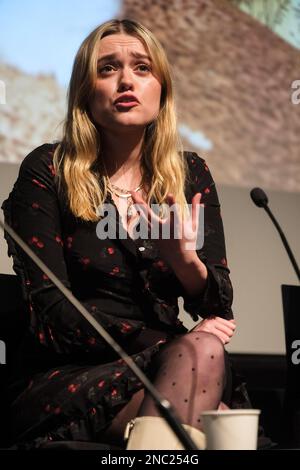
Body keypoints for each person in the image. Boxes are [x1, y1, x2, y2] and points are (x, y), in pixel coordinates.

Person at [2, 18, 236, 450]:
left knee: (211, 409)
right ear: (85, 92)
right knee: (212, 425)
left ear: (161, 88)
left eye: (142, 68)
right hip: (72, 375)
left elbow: (217, 302)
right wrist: (171, 344)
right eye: (107, 68)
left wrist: (184, 262)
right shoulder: (48, 170)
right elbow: (53, 313)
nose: (126, 80)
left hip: (174, 364)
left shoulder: (190, 175)